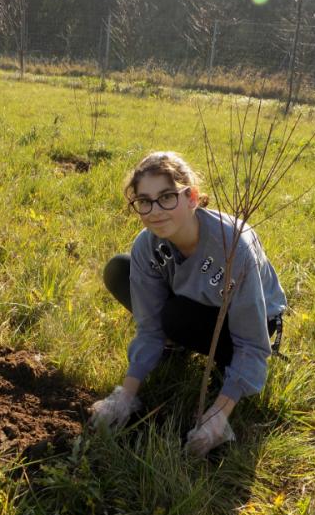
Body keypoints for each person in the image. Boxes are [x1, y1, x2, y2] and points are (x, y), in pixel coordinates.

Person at [90, 151, 287, 457]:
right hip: (190, 305)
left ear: (192, 197)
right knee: (120, 269)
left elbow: (252, 342)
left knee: (176, 316)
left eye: (167, 197)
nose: (155, 211)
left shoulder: (233, 247)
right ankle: (175, 343)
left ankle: (219, 364)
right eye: (144, 201)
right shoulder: (147, 245)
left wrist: (218, 416)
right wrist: (125, 395)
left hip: (251, 323)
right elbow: (149, 327)